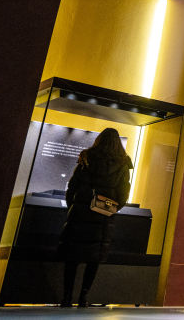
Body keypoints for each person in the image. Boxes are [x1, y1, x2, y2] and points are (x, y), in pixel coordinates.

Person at [58, 127, 133, 307]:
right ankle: (83, 298)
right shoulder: (122, 163)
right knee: (94, 259)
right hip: (103, 219)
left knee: (72, 258)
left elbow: (72, 186)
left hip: (80, 215)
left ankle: (67, 298)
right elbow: (123, 194)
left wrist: (74, 206)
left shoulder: (87, 158)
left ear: (99, 140)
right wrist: (110, 208)